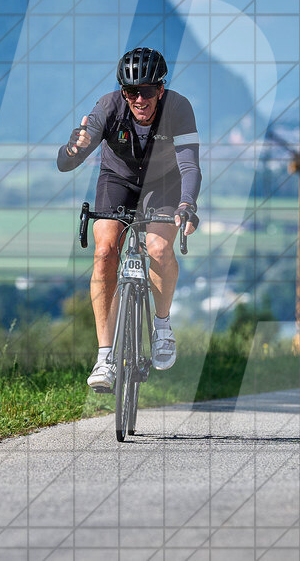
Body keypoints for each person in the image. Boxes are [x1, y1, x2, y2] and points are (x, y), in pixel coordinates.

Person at [57, 47, 201, 391]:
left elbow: (190, 165)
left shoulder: (179, 109)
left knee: (158, 248)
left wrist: (186, 204)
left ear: (160, 90)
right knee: (105, 251)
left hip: (164, 184)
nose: (140, 99)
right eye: (132, 92)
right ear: (124, 93)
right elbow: (66, 162)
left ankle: (162, 326)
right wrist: (72, 149)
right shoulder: (107, 107)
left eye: (148, 91)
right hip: (117, 179)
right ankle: (105, 357)